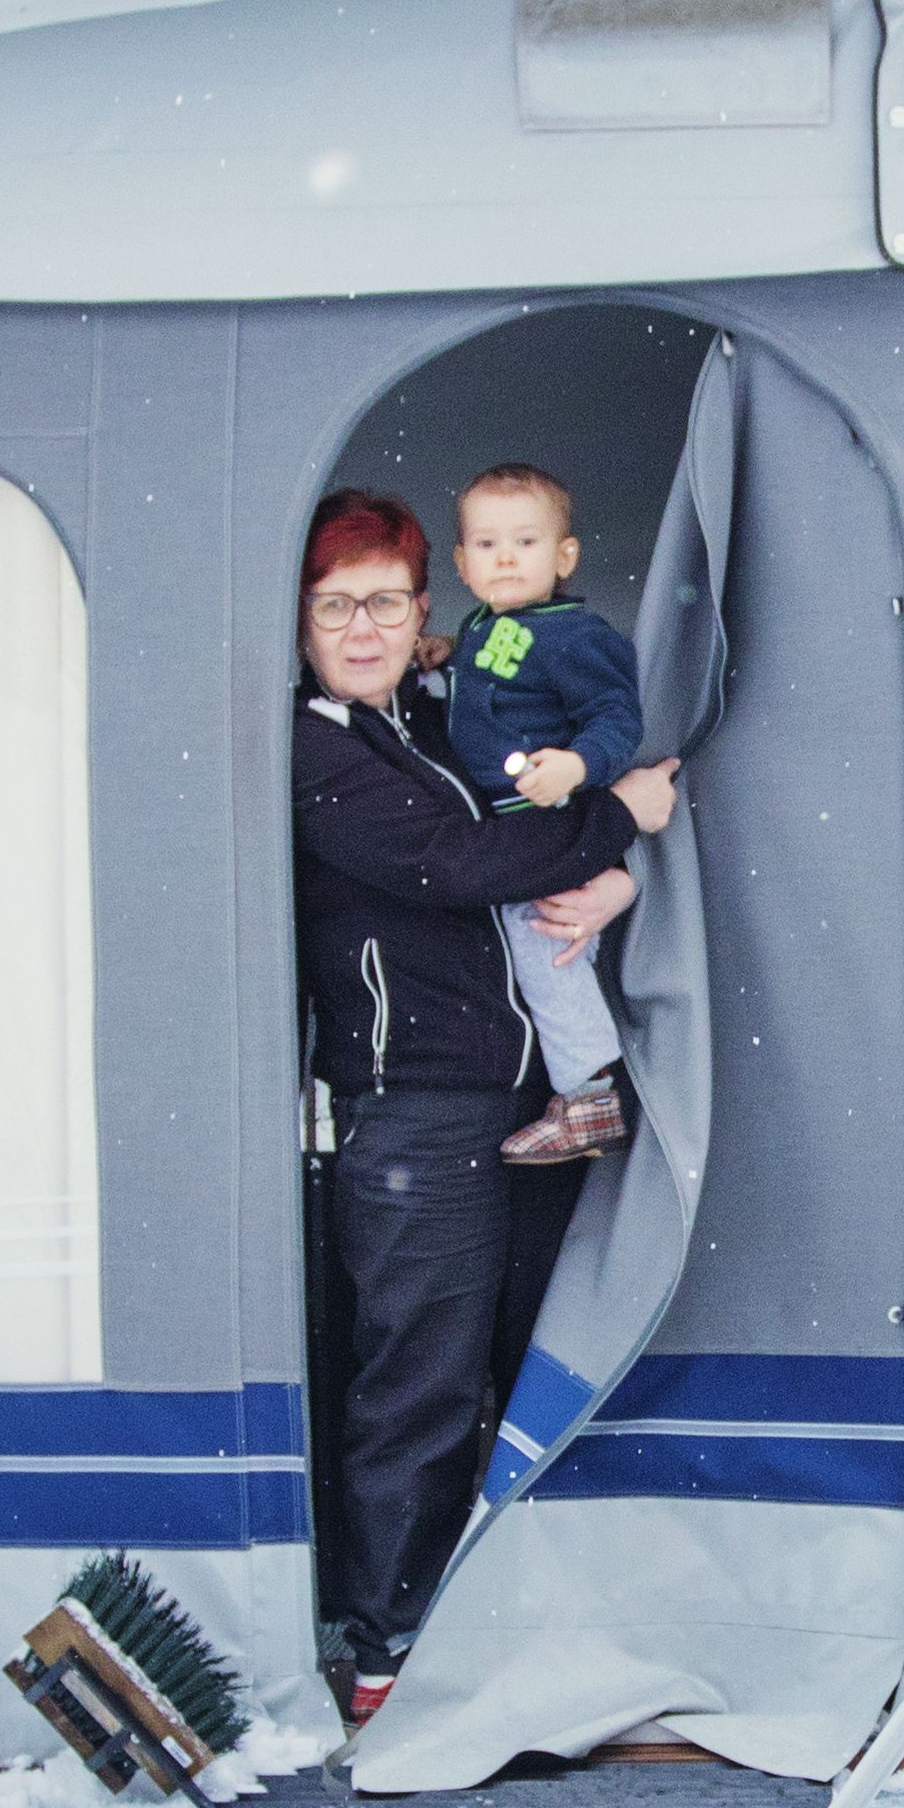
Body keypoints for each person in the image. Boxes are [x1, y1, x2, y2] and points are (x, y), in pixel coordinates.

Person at [295, 491, 679, 1714]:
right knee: (419, 1383)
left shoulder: (430, 714)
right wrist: (621, 823)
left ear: (426, 614)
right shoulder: (317, 749)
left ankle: (499, 1621)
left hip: (523, 1106)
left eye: (389, 603)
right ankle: (387, 1644)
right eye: (335, 604)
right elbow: (460, 865)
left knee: (523, 1374)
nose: (363, 629)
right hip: (416, 1111)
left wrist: (620, 881)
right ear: (300, 622)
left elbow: (552, 774)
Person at [436, 464, 650, 1166]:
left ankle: (590, 1098)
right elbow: (486, 685)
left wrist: (580, 763)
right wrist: (441, 659)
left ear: (563, 557)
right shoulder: (480, 625)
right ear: (463, 564)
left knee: (549, 955)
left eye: (525, 542)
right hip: (507, 832)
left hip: (553, 825)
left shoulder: (573, 634)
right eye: (487, 544)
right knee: (534, 961)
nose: (505, 558)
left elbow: (617, 717)